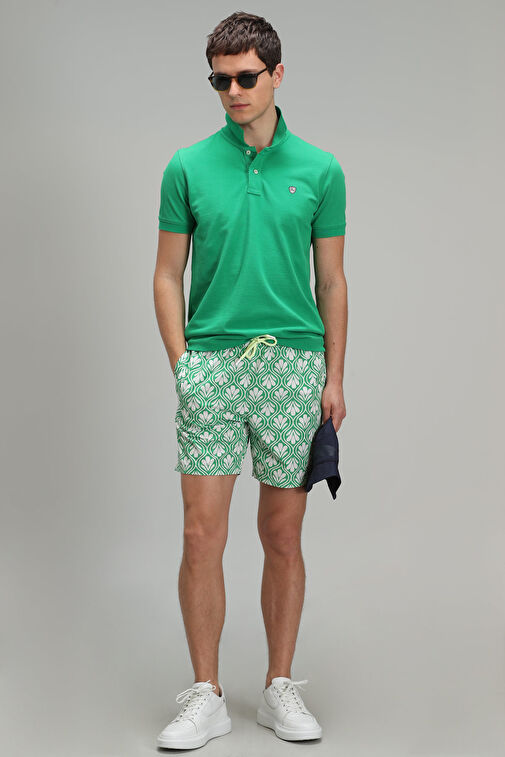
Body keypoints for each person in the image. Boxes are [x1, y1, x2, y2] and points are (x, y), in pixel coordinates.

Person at [153, 10, 348, 749]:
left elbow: (331, 282)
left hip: (293, 367)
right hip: (211, 364)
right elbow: (167, 274)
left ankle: (278, 687)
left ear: (277, 74)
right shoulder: (186, 166)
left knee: (283, 535)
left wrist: (334, 375)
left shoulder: (321, 170)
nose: (232, 92)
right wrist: (183, 363)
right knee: (199, 533)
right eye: (219, 80)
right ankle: (205, 694)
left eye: (245, 77)